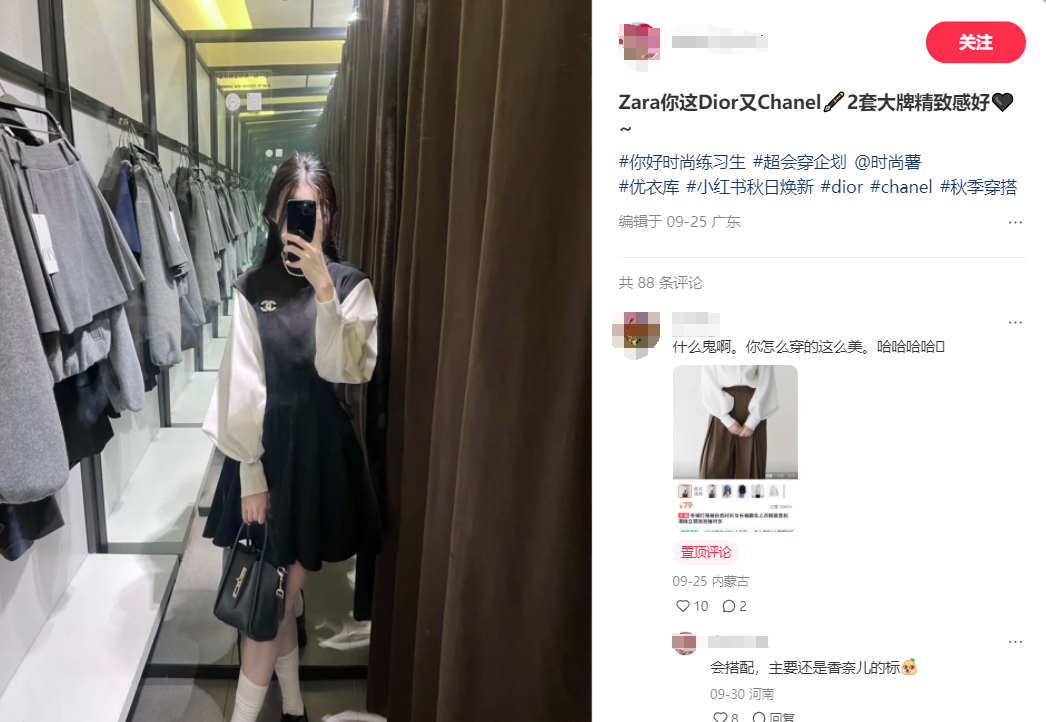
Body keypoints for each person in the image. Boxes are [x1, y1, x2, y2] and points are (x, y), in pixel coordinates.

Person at [202, 153, 383, 722]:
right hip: (262, 451)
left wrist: (325, 291)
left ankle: (268, 711)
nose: (302, 223)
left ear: (329, 215)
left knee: (274, 597)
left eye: (314, 210)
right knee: (275, 595)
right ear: (272, 217)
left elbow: (346, 369)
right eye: (291, 212)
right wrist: (251, 473)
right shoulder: (252, 286)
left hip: (319, 454)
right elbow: (241, 382)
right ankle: (294, 707)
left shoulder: (351, 285)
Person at [698, 365, 779, 480]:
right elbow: (708, 380)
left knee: (752, 471)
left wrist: (754, 420)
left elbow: (766, 380)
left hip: (754, 404)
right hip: (720, 404)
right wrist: (725, 418)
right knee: (713, 468)